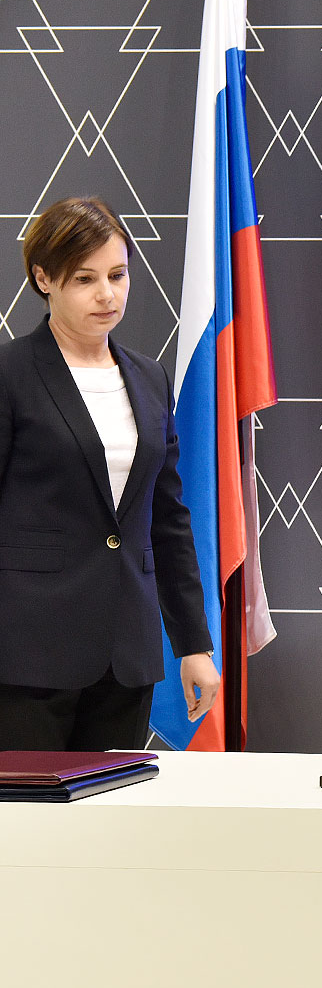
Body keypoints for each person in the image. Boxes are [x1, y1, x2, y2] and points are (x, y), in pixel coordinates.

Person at [0, 197, 219, 750]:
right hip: (25, 657)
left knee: (112, 804)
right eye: (85, 278)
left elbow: (167, 521)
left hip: (125, 657)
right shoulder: (10, 374)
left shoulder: (149, 377)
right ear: (43, 279)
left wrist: (194, 644)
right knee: (28, 808)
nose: (107, 294)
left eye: (117, 275)